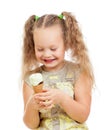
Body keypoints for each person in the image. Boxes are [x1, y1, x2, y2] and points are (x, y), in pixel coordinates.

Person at [21, 11, 94, 130]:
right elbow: (31, 125)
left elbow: (82, 116)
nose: (47, 54)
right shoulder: (31, 78)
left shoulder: (79, 73)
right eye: (40, 49)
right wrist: (32, 106)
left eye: (53, 48)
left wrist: (62, 98)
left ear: (66, 43)